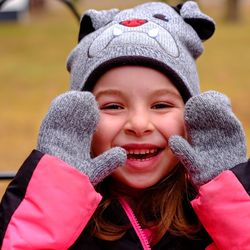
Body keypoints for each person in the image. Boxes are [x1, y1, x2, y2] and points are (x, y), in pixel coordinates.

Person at [0, 1, 249, 249]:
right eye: (113, 106)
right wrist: (54, 197)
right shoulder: (60, 220)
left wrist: (229, 197)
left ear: (192, 118)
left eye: (161, 105)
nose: (139, 124)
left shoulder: (212, 218)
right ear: (80, 121)